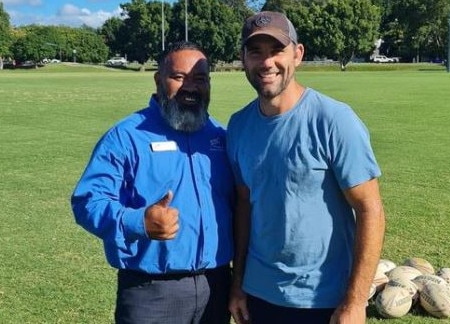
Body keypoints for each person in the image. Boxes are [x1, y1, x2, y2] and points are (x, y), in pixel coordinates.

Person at [227, 11, 386, 324]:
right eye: (255, 52)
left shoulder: (334, 120)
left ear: (297, 54)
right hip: (259, 296)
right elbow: (244, 207)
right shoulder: (238, 125)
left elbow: (371, 210)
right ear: (243, 59)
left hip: (322, 299)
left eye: (277, 51)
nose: (266, 62)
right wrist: (238, 284)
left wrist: (354, 303)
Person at [71, 41, 234, 324]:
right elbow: (88, 201)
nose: (190, 87)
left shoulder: (220, 136)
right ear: (159, 79)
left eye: (200, 79)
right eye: (179, 77)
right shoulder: (126, 136)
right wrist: (138, 222)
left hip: (216, 286)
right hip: (151, 293)